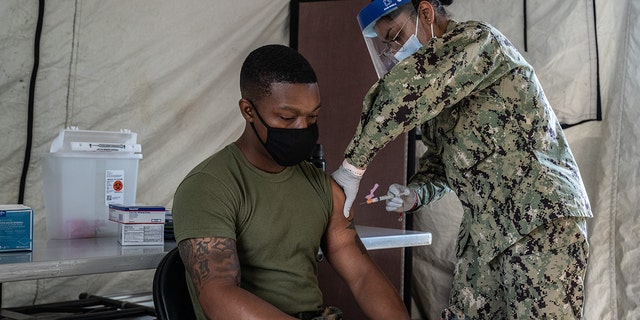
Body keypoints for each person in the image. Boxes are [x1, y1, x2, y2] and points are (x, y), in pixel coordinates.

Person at [331, 0, 593, 319]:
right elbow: (443, 162)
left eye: (396, 36)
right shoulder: (435, 89)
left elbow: (402, 91)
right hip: (485, 232)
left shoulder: (476, 43)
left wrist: (352, 167)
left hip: (537, 219)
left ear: (426, 14)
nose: (394, 52)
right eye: (385, 44)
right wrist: (416, 193)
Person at [171, 44, 410, 320]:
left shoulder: (321, 186)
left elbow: (362, 277)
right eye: (287, 117)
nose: (302, 128)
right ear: (248, 111)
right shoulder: (208, 187)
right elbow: (219, 296)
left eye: (312, 117)